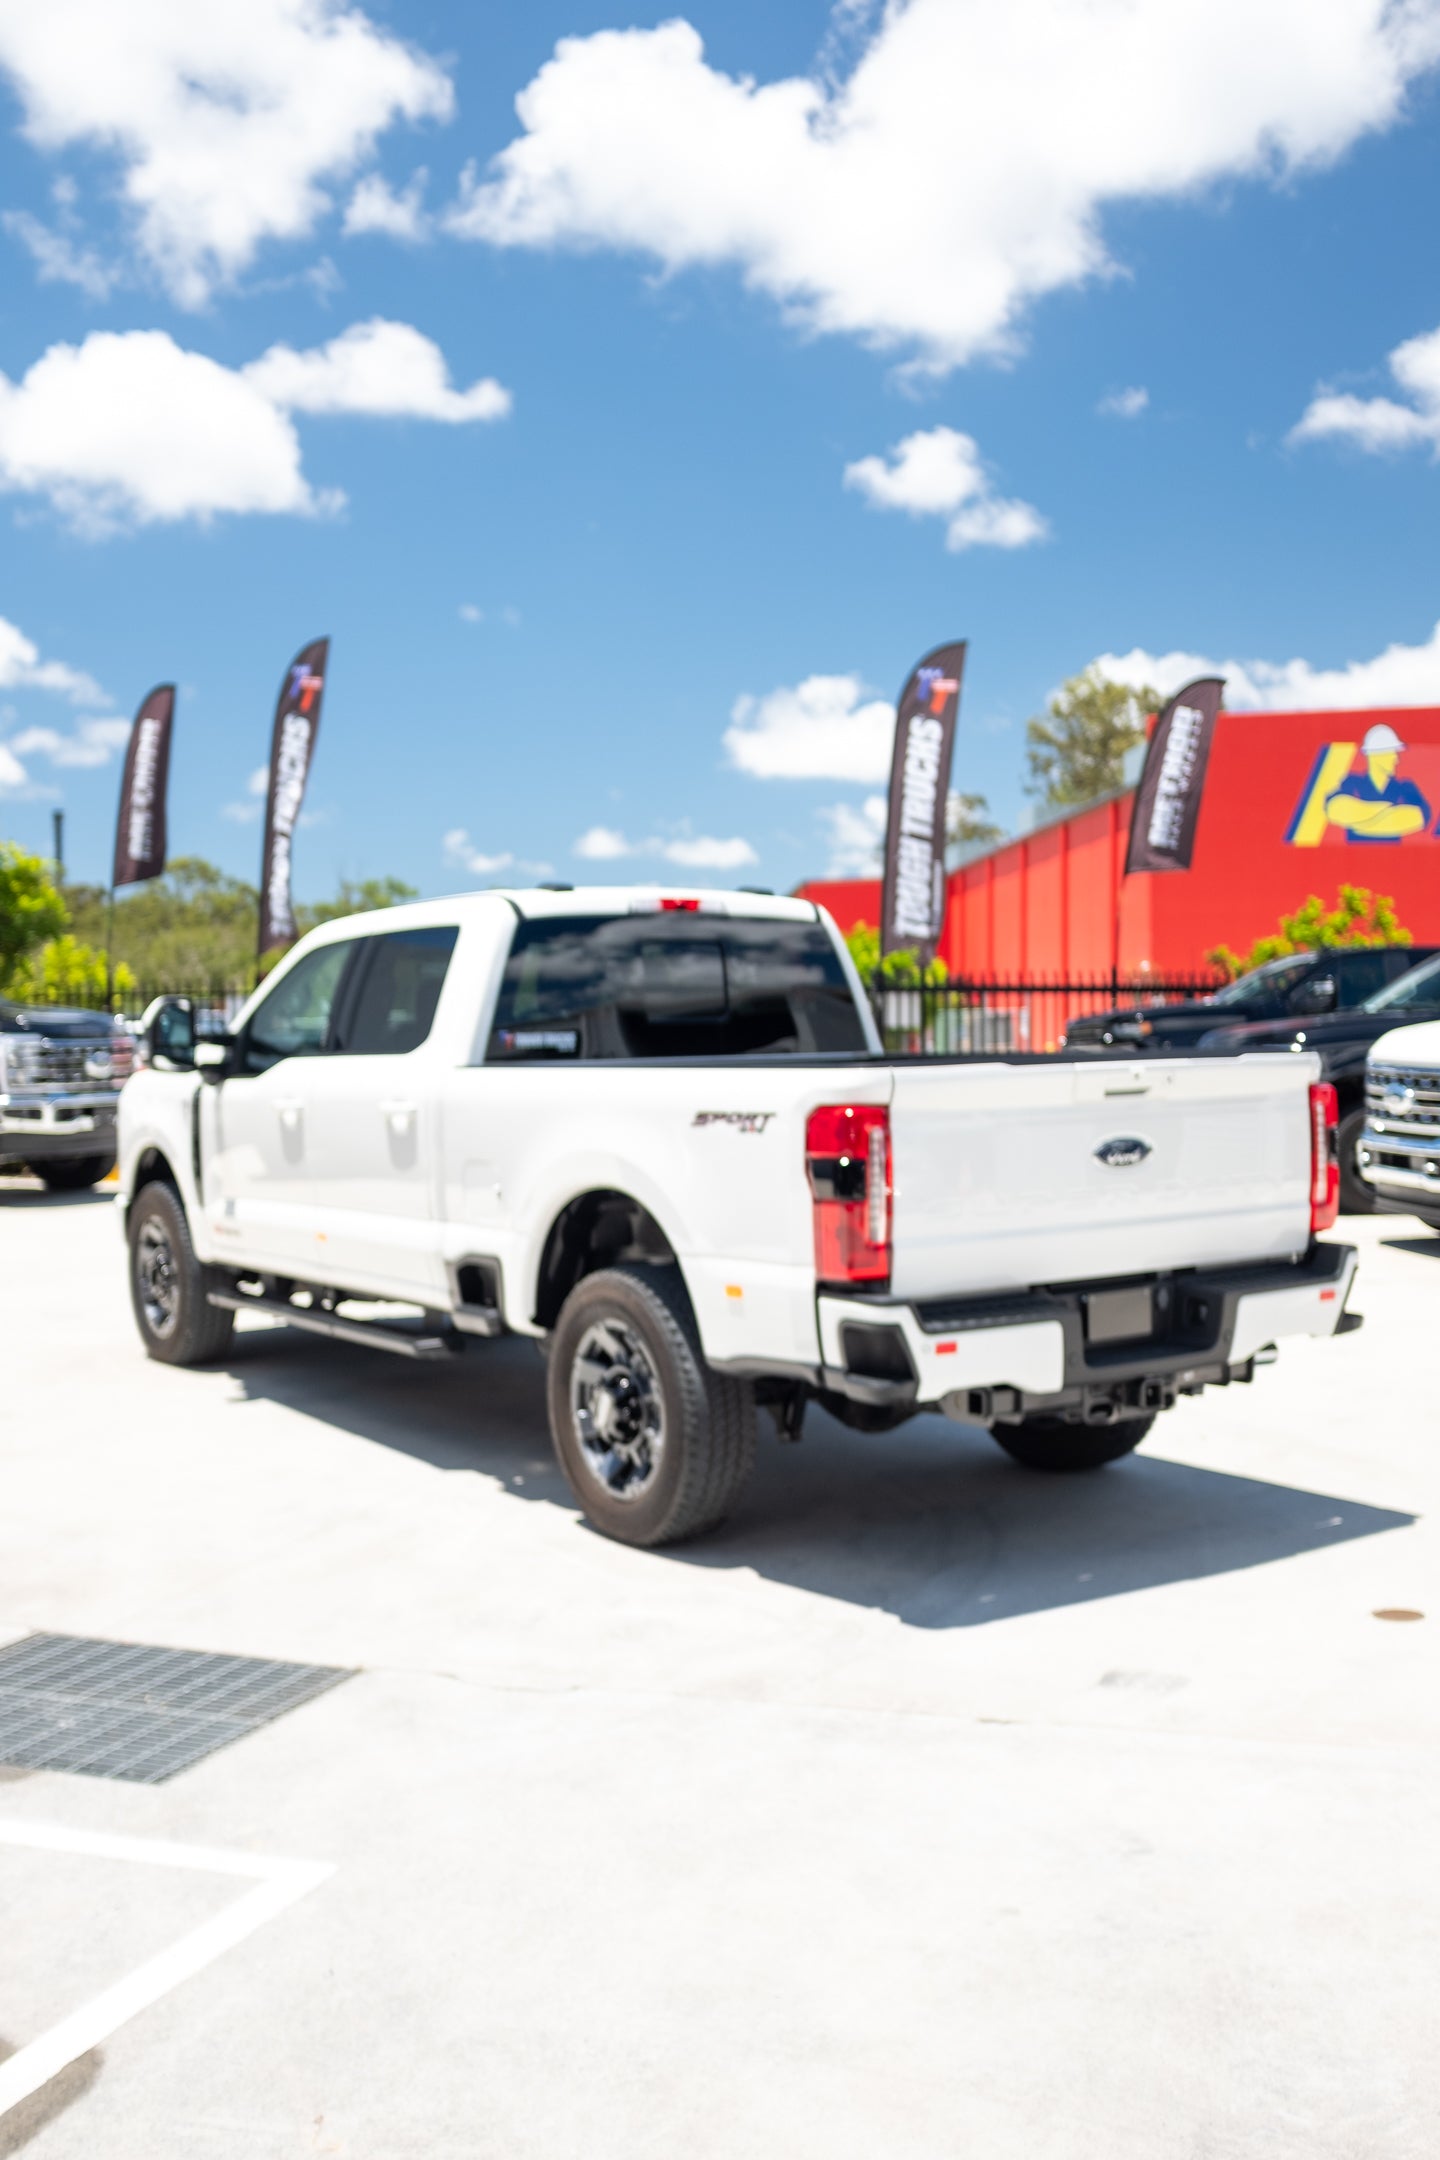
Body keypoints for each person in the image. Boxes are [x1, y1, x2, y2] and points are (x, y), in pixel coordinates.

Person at [1324, 722, 1431, 841]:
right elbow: (1334, 808)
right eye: (1392, 753)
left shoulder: (1404, 787)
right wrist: (1388, 810)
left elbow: (1421, 816)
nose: (1396, 759)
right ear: (1374, 756)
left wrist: (1359, 821)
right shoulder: (1352, 783)